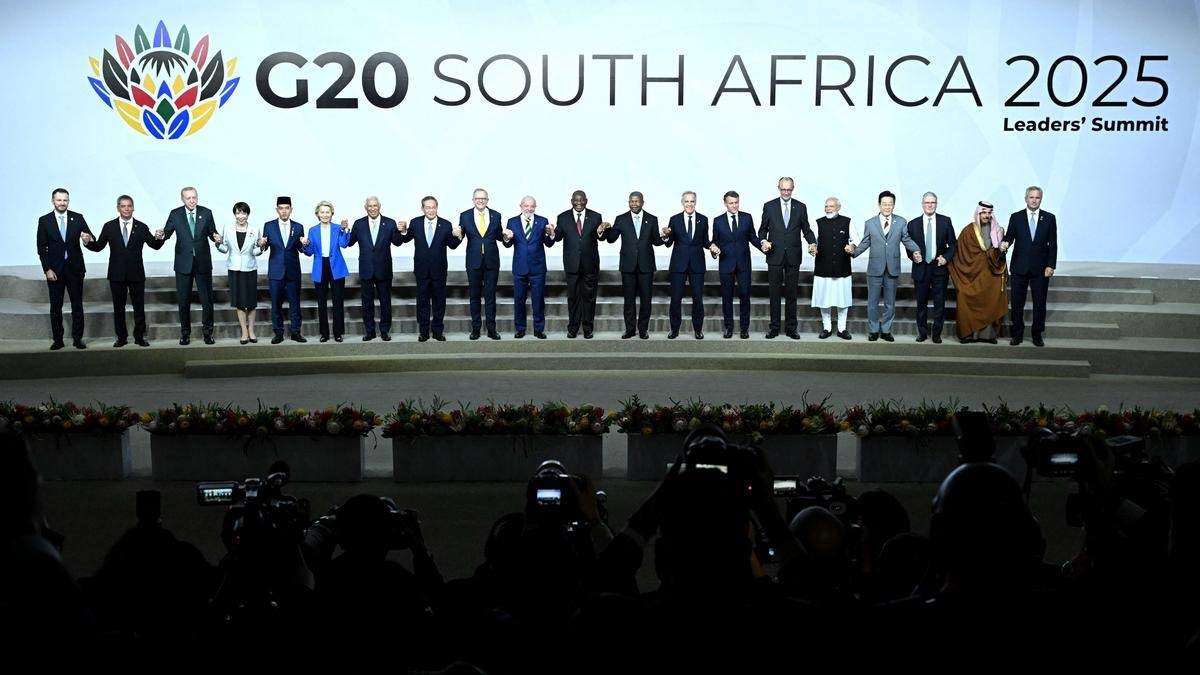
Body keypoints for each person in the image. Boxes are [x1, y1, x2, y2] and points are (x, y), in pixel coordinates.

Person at [83, 194, 164, 348]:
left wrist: (159, 237)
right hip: (116, 274)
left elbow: (154, 245)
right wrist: (87, 242)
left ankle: (139, 337)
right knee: (118, 308)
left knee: (139, 308)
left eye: (129, 206)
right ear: (118, 208)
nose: (126, 209)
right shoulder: (109, 226)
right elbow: (98, 246)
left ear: (133, 208)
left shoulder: (141, 227)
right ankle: (121, 338)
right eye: (123, 206)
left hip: (136, 274)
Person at [850, 190, 920, 342]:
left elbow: (906, 239)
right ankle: (874, 330)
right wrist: (853, 252)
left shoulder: (901, 222)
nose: (887, 207)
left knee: (890, 303)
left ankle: (886, 330)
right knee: (873, 303)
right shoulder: (870, 223)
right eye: (884, 204)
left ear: (894, 205)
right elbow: (865, 242)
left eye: (890, 204)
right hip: (875, 268)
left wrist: (916, 250)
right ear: (879, 205)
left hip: (892, 268)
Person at [155, 186, 220, 345]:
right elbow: (167, 233)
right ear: (182, 199)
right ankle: (185, 333)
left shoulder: (206, 212)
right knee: (183, 301)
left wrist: (216, 237)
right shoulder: (175, 214)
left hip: (202, 262)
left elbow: (212, 232)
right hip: (183, 263)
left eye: (194, 197)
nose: (192, 201)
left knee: (207, 301)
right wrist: (160, 235)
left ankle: (208, 333)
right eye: (188, 198)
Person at [397, 196, 461, 342]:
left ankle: (438, 331)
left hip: (439, 270)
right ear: (422, 209)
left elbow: (452, 245)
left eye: (433, 207)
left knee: (439, 302)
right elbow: (406, 239)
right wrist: (403, 231)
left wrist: (459, 236)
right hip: (422, 270)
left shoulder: (446, 224)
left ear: (437, 208)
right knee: (422, 302)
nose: (431, 210)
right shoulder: (415, 223)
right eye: (428, 208)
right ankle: (424, 332)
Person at [36, 188, 94, 350]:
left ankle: (77, 339)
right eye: (59, 200)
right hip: (55, 271)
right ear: (53, 201)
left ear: (68, 201)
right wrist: (47, 269)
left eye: (65, 200)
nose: (62, 203)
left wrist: (87, 239)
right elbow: (41, 247)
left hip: (75, 269)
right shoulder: (44, 220)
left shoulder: (78, 217)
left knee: (77, 306)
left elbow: (91, 238)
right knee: (56, 307)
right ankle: (58, 340)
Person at [758, 177, 816, 339]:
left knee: (792, 294)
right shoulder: (769, 206)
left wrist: (812, 243)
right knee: (774, 294)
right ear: (778, 188)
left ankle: (791, 329)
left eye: (788, 189)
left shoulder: (801, 207)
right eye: (783, 189)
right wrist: (763, 241)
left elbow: (806, 230)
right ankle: (774, 328)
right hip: (774, 256)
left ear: (793, 188)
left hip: (793, 256)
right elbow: (762, 230)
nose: (786, 192)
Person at [342, 196, 406, 341]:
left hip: (384, 269)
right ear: (366, 208)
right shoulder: (359, 224)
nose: (372, 208)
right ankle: (369, 331)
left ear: (379, 206)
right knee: (367, 303)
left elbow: (397, 242)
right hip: (366, 269)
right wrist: (345, 229)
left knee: (385, 303)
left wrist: (402, 232)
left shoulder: (389, 223)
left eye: (375, 205)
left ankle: (384, 331)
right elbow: (350, 242)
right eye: (370, 206)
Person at [1002, 186, 1058, 347]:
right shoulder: (1016, 217)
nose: (1034, 200)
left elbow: (1053, 244)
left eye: (1037, 197)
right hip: (1019, 267)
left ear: (1041, 199)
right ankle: (1017, 335)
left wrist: (1051, 265)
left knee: (1039, 303)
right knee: (1017, 303)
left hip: (1041, 268)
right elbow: (1010, 237)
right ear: (1026, 199)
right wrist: (1005, 243)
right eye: (1031, 197)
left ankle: (1037, 334)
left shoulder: (1049, 218)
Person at [603, 191, 663, 340]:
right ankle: (630, 330)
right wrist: (606, 229)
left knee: (646, 300)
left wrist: (665, 236)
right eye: (631, 201)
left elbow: (656, 241)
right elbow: (611, 239)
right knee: (629, 300)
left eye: (637, 201)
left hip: (646, 265)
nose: (634, 204)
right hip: (628, 265)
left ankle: (643, 330)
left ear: (642, 202)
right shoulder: (621, 219)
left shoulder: (652, 219)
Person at [948, 201, 1007, 343]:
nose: (986, 215)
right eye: (983, 212)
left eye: (989, 213)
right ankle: (969, 334)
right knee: (966, 297)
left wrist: (1000, 250)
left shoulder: (998, 230)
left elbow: (999, 255)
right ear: (978, 213)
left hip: (991, 275)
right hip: (972, 275)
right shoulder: (968, 231)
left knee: (990, 302)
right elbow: (960, 252)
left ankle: (988, 335)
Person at [710, 191, 765, 339]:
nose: (734, 206)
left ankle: (744, 329)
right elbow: (715, 242)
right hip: (726, 263)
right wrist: (714, 251)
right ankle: (728, 328)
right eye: (731, 203)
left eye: (736, 202)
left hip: (743, 264)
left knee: (745, 296)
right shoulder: (718, 221)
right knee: (726, 297)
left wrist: (763, 245)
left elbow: (752, 237)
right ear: (725, 203)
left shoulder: (747, 218)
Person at [552, 190, 604, 339]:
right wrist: (552, 233)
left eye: (582, 200)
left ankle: (588, 329)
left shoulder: (595, 216)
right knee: (573, 297)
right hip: (572, 264)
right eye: (576, 200)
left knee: (589, 298)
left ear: (586, 201)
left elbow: (601, 238)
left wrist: (601, 232)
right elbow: (558, 237)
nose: (579, 203)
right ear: (571, 201)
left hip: (590, 264)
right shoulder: (563, 217)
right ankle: (573, 328)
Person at [501, 195, 555, 339]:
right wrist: (506, 237)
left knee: (538, 300)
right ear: (521, 206)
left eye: (532, 206)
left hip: (538, 268)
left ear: (535, 207)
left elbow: (549, 243)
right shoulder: (512, 222)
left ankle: (539, 329)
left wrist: (551, 235)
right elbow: (507, 244)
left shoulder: (542, 221)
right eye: (526, 206)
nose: (529, 209)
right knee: (519, 300)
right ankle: (520, 329)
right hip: (520, 267)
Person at [907, 192, 957, 343]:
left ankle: (936, 334)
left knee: (939, 303)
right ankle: (922, 333)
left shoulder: (945, 221)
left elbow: (953, 244)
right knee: (921, 303)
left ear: (936, 204)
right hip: (920, 268)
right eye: (927, 202)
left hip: (939, 268)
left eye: (932, 202)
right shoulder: (913, 224)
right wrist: (913, 255)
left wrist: (946, 258)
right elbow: (909, 246)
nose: (930, 205)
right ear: (922, 204)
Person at [660, 191, 709, 339]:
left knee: (698, 299)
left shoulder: (703, 219)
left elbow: (705, 241)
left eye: (692, 201)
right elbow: (668, 243)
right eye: (687, 201)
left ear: (695, 202)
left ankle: (698, 330)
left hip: (697, 265)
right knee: (675, 299)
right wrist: (665, 236)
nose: (689, 204)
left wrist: (713, 247)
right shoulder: (674, 219)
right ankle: (674, 329)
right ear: (682, 203)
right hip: (678, 265)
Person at [216, 202, 265, 345]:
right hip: (234, 269)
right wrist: (218, 243)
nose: (241, 216)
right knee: (239, 302)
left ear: (248, 214)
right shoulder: (228, 229)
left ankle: (251, 331)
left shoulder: (255, 229)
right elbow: (225, 249)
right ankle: (244, 331)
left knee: (251, 302)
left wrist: (262, 247)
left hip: (249, 269)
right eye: (238, 213)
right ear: (235, 214)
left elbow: (255, 251)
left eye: (244, 213)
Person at [259, 196, 306, 344]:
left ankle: (296, 332)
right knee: (276, 304)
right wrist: (261, 243)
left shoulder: (298, 227)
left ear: (291, 209)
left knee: (295, 303)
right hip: (276, 271)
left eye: (287, 208)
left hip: (293, 271)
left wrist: (305, 244)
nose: (284, 211)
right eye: (281, 208)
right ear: (277, 210)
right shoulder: (269, 226)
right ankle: (278, 333)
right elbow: (264, 246)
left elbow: (301, 249)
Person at [302, 201, 351, 343]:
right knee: (321, 302)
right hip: (320, 266)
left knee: (338, 301)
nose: (325, 215)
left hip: (336, 266)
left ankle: (338, 333)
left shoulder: (337, 228)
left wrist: (345, 230)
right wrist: (306, 244)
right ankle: (324, 333)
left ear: (332, 214)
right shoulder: (312, 230)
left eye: (327, 212)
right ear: (317, 214)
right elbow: (310, 252)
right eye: (322, 212)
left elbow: (343, 244)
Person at [459, 188, 504, 340]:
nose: (480, 201)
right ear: (473, 200)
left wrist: (506, 237)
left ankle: (491, 329)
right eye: (478, 198)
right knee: (474, 296)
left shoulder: (496, 215)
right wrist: (456, 236)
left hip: (492, 261)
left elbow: (500, 236)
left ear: (487, 200)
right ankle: (476, 329)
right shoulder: (465, 216)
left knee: (491, 296)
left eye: (483, 198)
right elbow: (459, 237)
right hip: (473, 261)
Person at [811, 197, 854, 340]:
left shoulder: (848, 221)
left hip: (842, 267)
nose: (828, 209)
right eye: (826, 206)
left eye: (831, 206)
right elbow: (812, 242)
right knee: (824, 300)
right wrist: (812, 248)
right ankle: (827, 328)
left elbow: (855, 240)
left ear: (838, 207)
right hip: (823, 267)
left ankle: (842, 329)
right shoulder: (818, 222)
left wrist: (852, 247)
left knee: (843, 300)